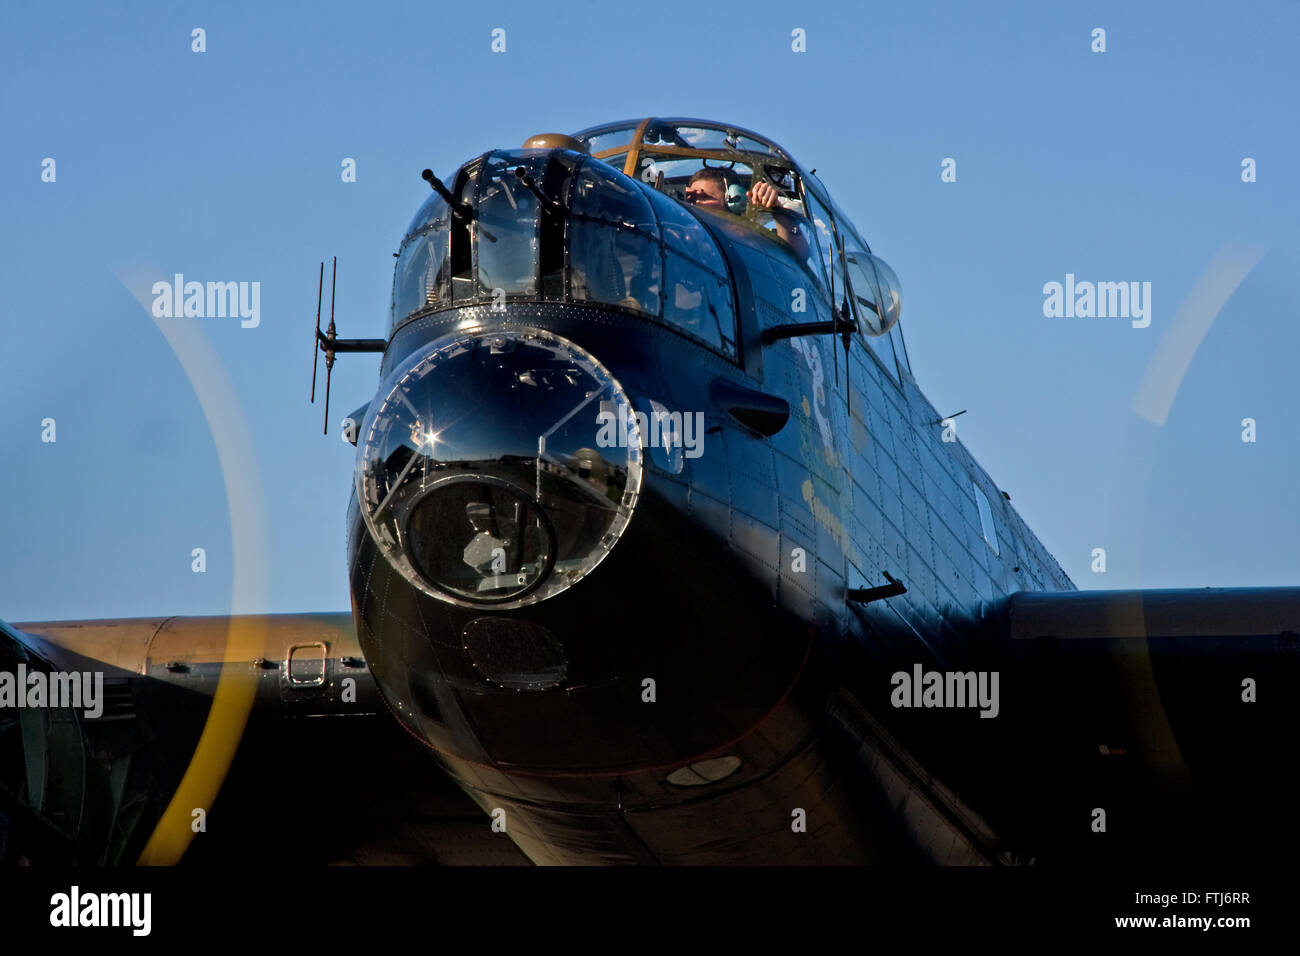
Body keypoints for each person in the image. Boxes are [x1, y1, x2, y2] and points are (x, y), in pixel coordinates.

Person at [683, 167, 809, 258]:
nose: (695, 204)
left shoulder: (755, 239)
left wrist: (776, 208)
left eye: (703, 197)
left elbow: (797, 254)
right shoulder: (682, 234)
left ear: (734, 199)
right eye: (691, 199)